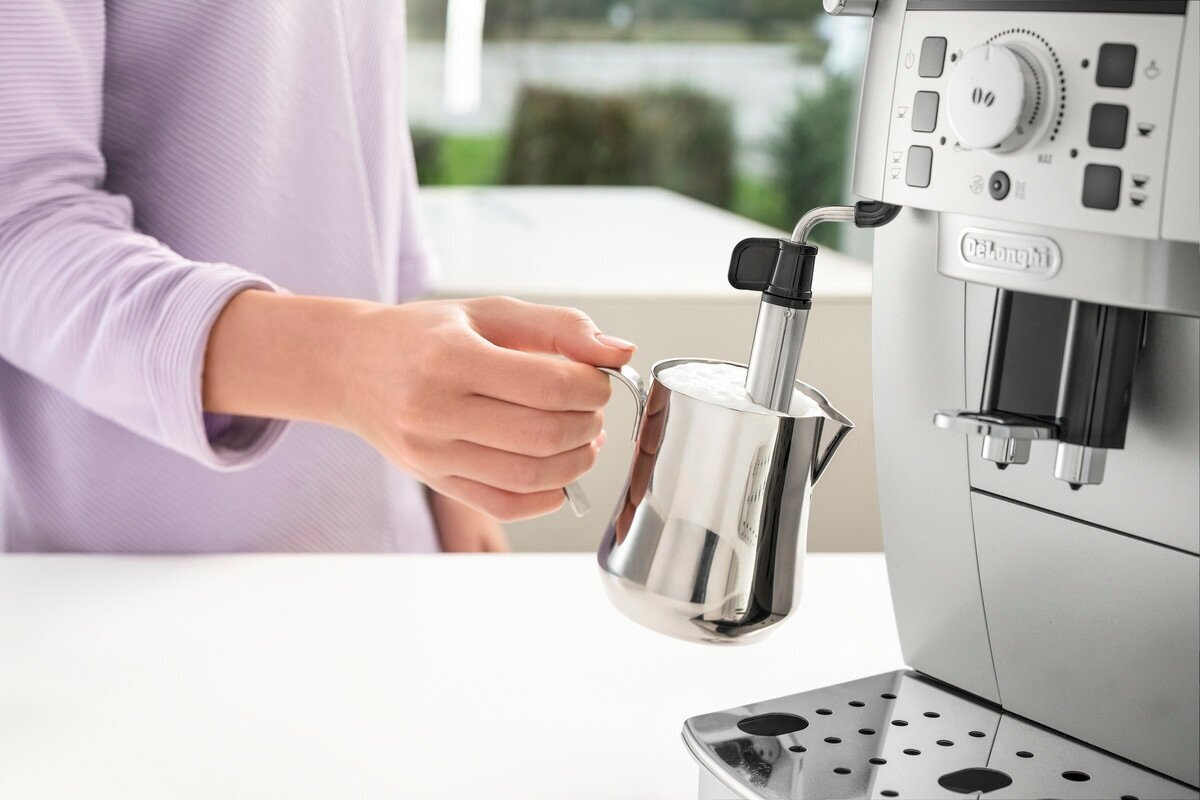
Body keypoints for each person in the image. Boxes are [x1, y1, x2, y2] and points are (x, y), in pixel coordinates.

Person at [0, 1, 636, 553]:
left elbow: (354, 117)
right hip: (130, 568)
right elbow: (18, 227)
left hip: (380, 545)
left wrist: (444, 482)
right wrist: (350, 363)